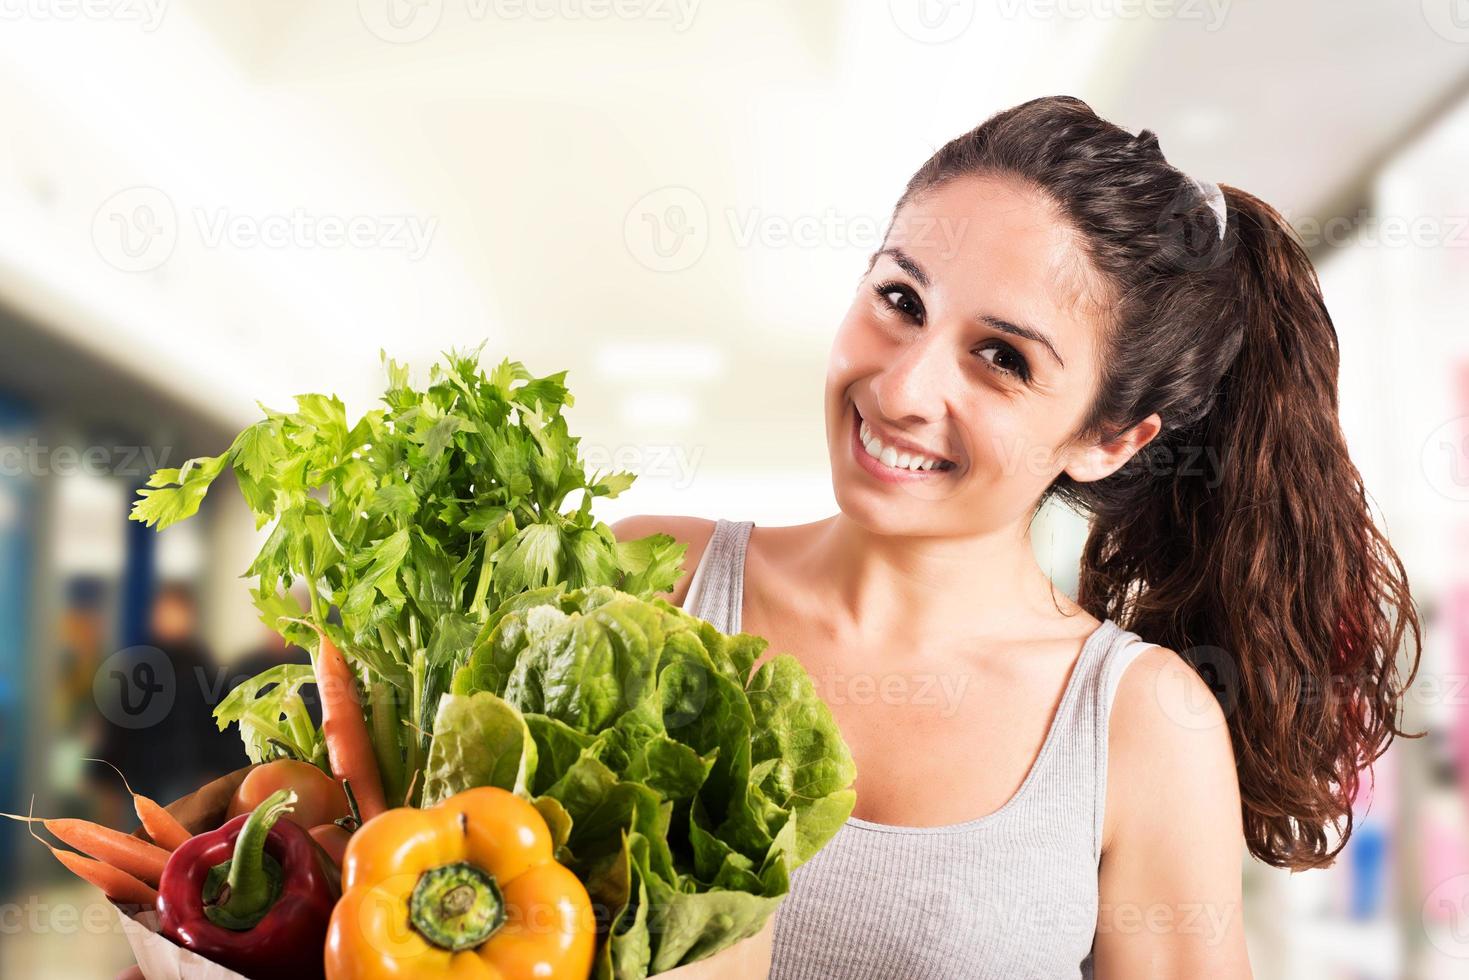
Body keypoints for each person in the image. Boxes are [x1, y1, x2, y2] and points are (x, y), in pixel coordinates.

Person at [612, 96, 1422, 979]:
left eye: (1003, 358)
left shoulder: (1140, 725)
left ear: (1107, 440)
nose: (903, 388)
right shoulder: (651, 583)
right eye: (899, 298)